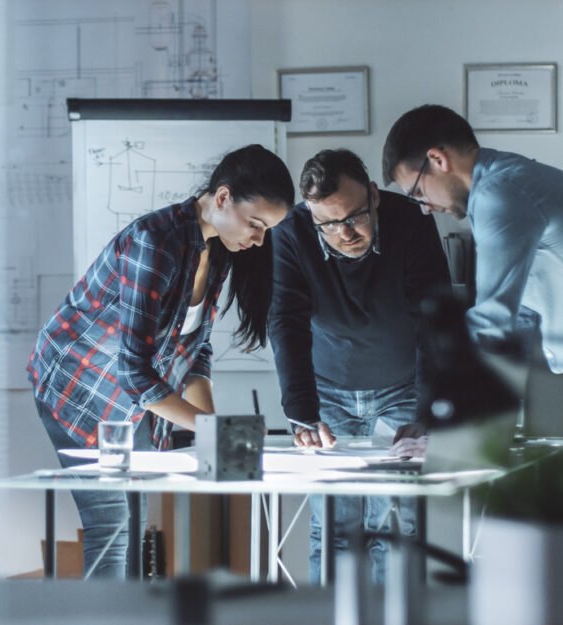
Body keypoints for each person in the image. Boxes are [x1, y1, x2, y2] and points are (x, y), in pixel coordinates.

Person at [27, 144, 293, 579]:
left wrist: (213, 423)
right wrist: (212, 431)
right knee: (112, 523)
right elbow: (133, 372)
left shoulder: (219, 249)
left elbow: (196, 349)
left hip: (134, 397)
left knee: (135, 522)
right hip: (79, 386)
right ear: (223, 198)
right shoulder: (154, 243)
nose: (259, 240)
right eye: (256, 224)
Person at [382, 104, 563, 442]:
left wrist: (446, 429)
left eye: (418, 191)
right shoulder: (511, 179)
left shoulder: (499, 194)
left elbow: (491, 320)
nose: (424, 208)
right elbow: (519, 315)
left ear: (438, 159)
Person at [268, 148, 450, 584]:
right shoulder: (291, 230)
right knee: (333, 530)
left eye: (354, 216)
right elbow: (286, 321)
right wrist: (301, 410)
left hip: (403, 387)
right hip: (328, 391)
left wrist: (428, 413)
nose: (344, 232)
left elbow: (434, 318)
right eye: (328, 224)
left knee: (397, 528)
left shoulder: (412, 219)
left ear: (373, 195)